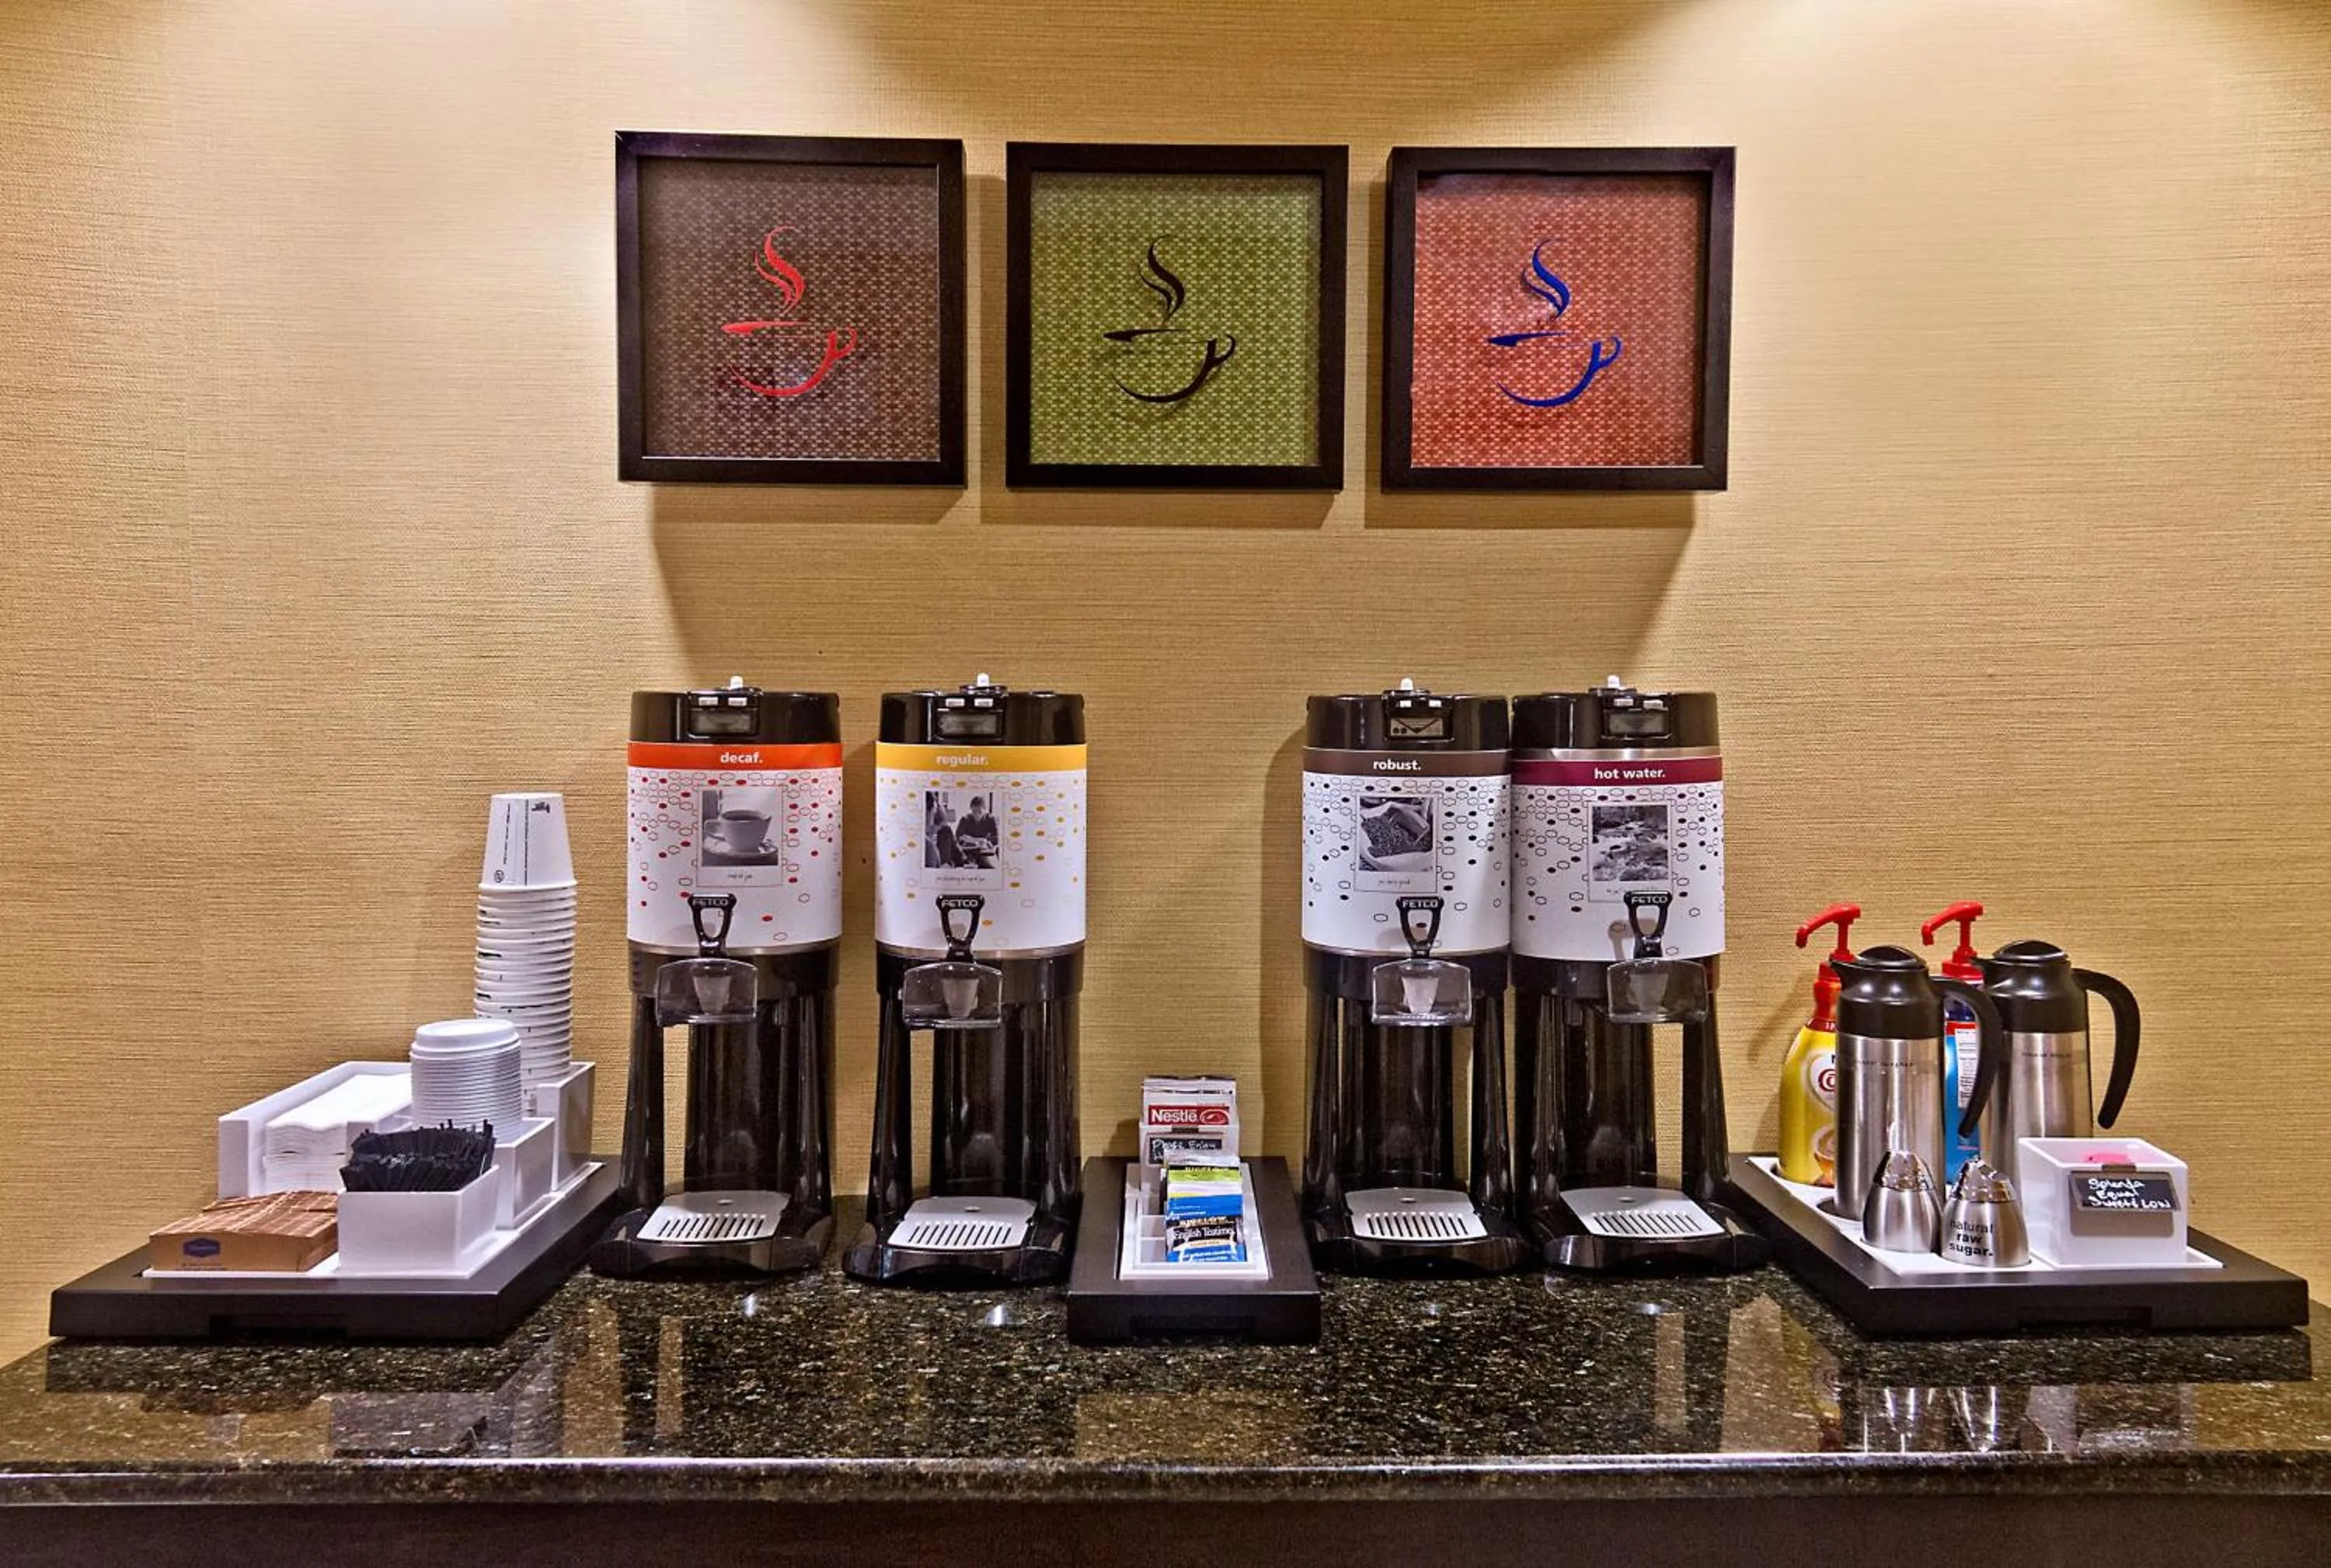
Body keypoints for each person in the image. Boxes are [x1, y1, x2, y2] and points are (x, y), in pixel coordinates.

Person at [956, 794, 999, 868]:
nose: (977, 815)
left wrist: (985, 841)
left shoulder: (991, 819)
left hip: (985, 853)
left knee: (989, 866)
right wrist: (978, 840)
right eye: (974, 811)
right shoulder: (965, 819)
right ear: (971, 809)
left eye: (980, 812)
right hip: (968, 853)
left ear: (985, 810)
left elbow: (997, 838)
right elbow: (958, 837)